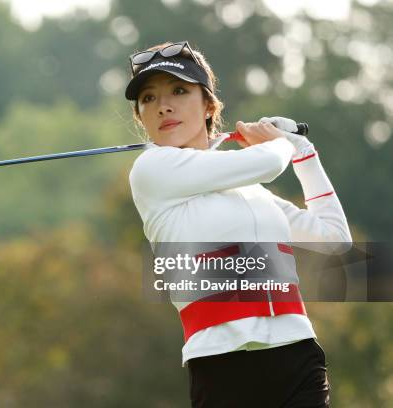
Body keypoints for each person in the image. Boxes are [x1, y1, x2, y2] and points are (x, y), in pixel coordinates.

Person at [125, 41, 352, 407]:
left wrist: (304, 155)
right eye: (148, 99)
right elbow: (267, 162)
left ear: (209, 105)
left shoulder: (250, 190)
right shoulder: (152, 171)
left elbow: (335, 240)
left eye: (179, 91)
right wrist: (282, 144)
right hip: (221, 366)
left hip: (297, 356)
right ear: (141, 116)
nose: (163, 105)